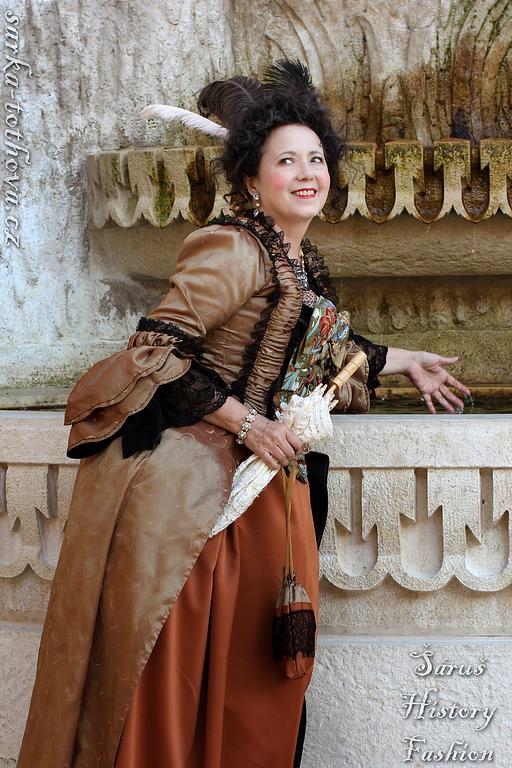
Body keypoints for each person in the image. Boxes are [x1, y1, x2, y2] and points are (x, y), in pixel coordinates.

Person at [17, 60, 471, 768]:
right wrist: (248, 425)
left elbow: (319, 346)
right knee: (181, 663)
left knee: (252, 672)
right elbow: (157, 348)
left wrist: (404, 360)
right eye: (286, 160)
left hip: (262, 482)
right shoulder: (231, 245)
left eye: (315, 158)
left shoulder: (298, 257)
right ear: (252, 179)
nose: (306, 172)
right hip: (193, 489)